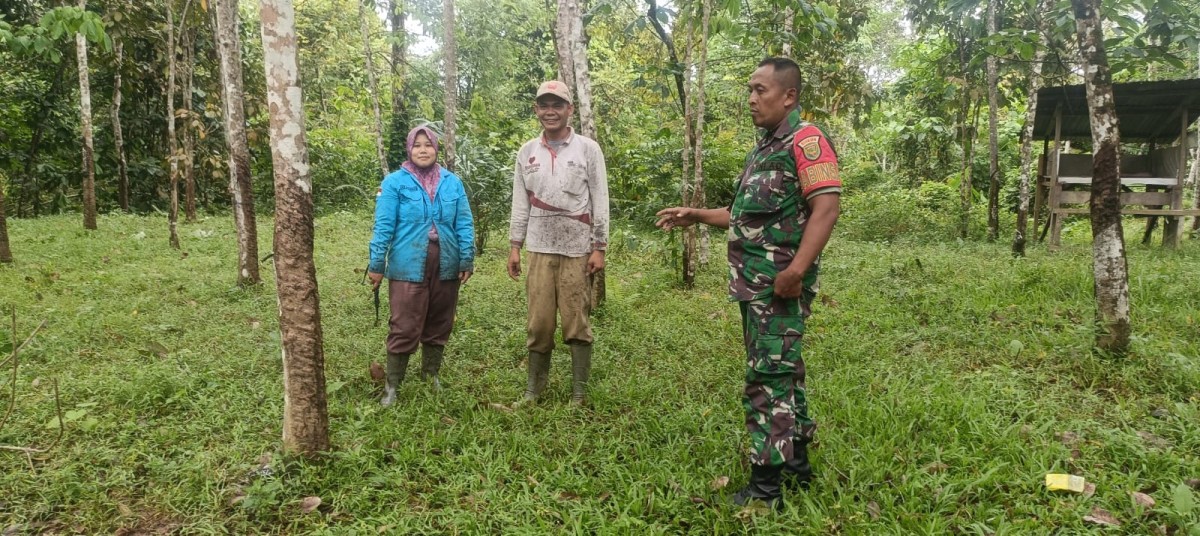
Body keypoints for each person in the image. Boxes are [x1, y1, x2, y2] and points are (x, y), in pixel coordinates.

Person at [655, 57, 841, 509]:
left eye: (761, 90)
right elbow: (740, 216)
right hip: (754, 287)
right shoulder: (762, 149)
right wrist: (695, 214)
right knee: (784, 372)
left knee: (766, 379)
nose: (752, 99)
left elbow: (827, 207)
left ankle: (765, 490)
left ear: (789, 96)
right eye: (750, 90)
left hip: (779, 286)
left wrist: (796, 271)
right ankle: (797, 468)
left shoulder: (806, 140)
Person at [507, 80, 609, 407]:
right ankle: (533, 391)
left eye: (557, 105)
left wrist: (599, 247)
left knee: (576, 320)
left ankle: (579, 394)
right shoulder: (527, 152)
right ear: (536, 110)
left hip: (577, 249)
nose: (550, 111)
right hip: (539, 248)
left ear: (569, 109)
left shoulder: (588, 149)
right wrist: (514, 245)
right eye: (544, 105)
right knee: (539, 322)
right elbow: (520, 202)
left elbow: (600, 199)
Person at [368, 125, 475, 406]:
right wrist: (377, 263)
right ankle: (393, 386)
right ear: (409, 149)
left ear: (436, 148)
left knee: (440, 319)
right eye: (417, 145)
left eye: (428, 145)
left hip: (447, 259)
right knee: (404, 323)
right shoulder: (394, 183)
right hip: (407, 261)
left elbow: (464, 223)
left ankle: (431, 374)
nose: (423, 150)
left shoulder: (452, 183)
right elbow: (383, 226)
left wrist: (466, 258)